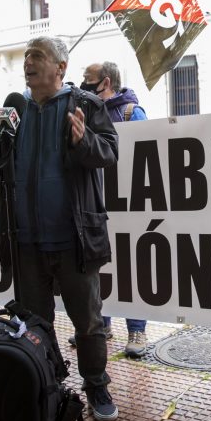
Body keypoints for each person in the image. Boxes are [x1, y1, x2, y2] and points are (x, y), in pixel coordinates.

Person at [0, 36, 121, 421]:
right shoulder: (13, 108)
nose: (28, 62)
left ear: (60, 68)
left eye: (37, 56)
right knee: (34, 324)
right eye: (25, 56)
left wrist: (84, 138)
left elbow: (109, 151)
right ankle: (48, 383)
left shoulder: (86, 105)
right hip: (24, 242)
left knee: (88, 323)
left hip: (75, 240)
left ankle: (96, 384)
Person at [78, 61, 149, 358]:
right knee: (100, 265)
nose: (83, 82)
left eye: (88, 78)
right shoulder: (88, 110)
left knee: (132, 264)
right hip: (98, 202)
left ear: (105, 82)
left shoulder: (133, 112)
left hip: (130, 203)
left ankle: (137, 329)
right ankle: (102, 324)